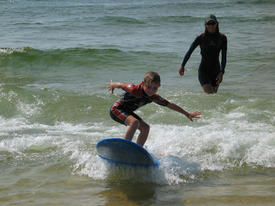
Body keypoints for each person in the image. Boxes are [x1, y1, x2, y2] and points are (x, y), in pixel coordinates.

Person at [107, 71, 201, 147]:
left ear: (159, 87)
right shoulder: (134, 89)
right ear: (143, 84)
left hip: (127, 112)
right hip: (116, 109)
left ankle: (138, 151)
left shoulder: (153, 97)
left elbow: (170, 105)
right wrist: (112, 85)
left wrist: (186, 113)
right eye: (149, 87)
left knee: (145, 128)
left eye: (155, 88)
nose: (151, 91)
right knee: (135, 122)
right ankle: (125, 148)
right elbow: (120, 85)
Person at [179, 14, 227, 94]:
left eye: (213, 23)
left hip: (216, 71)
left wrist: (221, 72)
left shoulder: (222, 38)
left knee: (214, 96)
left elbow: (224, 57)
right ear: (205, 25)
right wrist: (182, 65)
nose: (211, 26)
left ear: (217, 23)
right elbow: (189, 51)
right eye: (209, 24)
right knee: (210, 94)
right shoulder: (201, 38)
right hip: (203, 71)